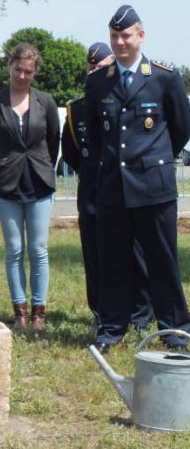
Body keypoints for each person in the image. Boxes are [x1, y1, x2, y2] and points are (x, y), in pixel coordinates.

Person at [86, 5, 190, 353]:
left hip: (153, 186)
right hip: (114, 187)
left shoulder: (163, 77)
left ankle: (174, 329)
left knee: (162, 261)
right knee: (113, 261)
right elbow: (96, 137)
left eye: (126, 35)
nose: (119, 42)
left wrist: (152, 160)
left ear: (140, 36)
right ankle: (112, 328)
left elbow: (179, 129)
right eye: (114, 36)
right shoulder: (98, 81)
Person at [61, 42, 153, 331]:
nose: (94, 71)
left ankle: (140, 313)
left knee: (135, 254)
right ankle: (102, 312)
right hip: (92, 193)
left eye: (100, 67)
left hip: (127, 189)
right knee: (96, 255)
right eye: (91, 67)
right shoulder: (76, 109)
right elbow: (72, 153)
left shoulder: (127, 98)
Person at [0, 43, 60, 330]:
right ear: (9, 66)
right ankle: (20, 312)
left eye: (28, 71)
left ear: (35, 72)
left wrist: (42, 166)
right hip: (7, 185)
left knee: (38, 249)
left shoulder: (46, 102)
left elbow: (53, 139)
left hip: (39, 182)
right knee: (14, 249)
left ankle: (39, 312)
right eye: (18, 69)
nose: (22, 76)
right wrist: (3, 168)